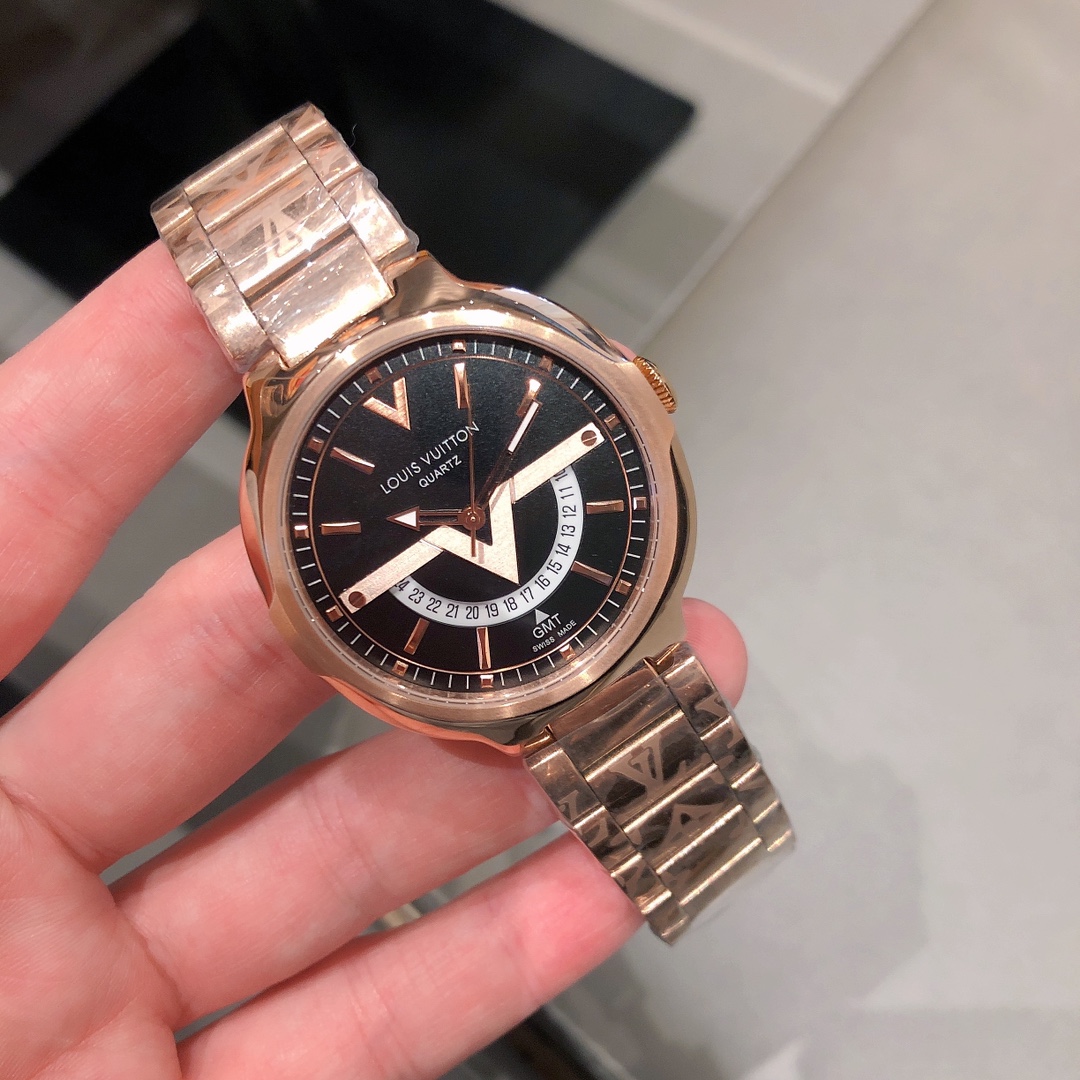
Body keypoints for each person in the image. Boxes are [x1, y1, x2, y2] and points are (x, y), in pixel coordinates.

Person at [0, 242, 749, 1079]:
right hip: (527, 677)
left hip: (624, 629)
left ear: (640, 389)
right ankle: (713, 862)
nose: (471, 521)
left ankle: (716, 855)